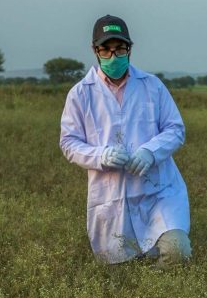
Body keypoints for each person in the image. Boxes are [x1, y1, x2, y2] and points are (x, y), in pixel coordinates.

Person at [59, 14, 191, 266]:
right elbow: (69, 142)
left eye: (119, 49)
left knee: (176, 252)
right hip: (111, 196)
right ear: (94, 50)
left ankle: (160, 296)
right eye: (106, 50)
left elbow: (175, 129)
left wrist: (150, 152)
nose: (113, 56)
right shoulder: (80, 94)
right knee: (118, 266)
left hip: (157, 193)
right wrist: (101, 156)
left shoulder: (152, 86)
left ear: (129, 49)